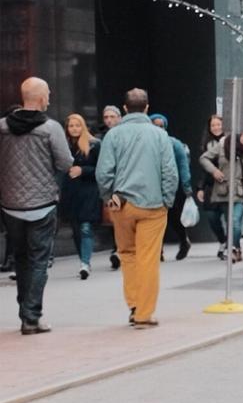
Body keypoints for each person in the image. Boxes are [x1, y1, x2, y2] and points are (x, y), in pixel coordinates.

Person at [95, 88, 179, 329]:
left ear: (124, 108)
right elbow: (169, 173)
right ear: (146, 108)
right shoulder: (159, 135)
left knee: (128, 255)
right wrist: (167, 201)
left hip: (122, 204)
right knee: (148, 258)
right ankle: (144, 312)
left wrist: (108, 196)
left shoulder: (113, 135)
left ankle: (133, 304)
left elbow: (103, 173)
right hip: (153, 205)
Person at [1, 78, 72, 333]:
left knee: (20, 259)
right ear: (41, 98)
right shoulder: (51, 128)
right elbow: (65, 162)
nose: (50, 97)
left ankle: (25, 313)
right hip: (42, 204)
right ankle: (31, 317)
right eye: (48, 94)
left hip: (10, 205)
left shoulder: (2, 127)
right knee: (39, 260)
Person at [60, 113, 101, 279]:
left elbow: (102, 169)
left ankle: (85, 263)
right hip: (71, 192)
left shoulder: (94, 144)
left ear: (83, 126)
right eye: (71, 126)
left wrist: (83, 170)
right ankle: (83, 260)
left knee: (85, 227)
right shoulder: (63, 146)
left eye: (77, 125)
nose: (74, 129)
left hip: (89, 192)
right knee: (76, 229)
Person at [199, 126, 243, 261]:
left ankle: (234, 248)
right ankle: (234, 247)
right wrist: (214, 171)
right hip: (224, 191)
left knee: (235, 222)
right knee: (226, 221)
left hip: (241, 192)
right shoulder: (222, 145)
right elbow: (204, 158)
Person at [152, 114, 194, 261]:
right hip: (153, 187)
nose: (158, 128)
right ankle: (159, 251)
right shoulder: (148, 144)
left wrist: (186, 186)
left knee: (174, 218)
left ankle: (184, 241)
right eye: (155, 125)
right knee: (156, 219)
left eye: (161, 125)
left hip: (174, 188)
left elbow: (183, 165)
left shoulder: (175, 144)